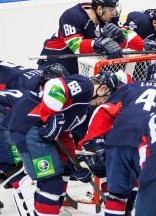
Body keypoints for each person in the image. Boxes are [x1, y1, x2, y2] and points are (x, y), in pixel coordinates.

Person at [2, 71, 119, 216]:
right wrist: (52, 115)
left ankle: (49, 211)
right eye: (106, 98)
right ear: (102, 88)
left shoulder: (82, 111)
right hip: (29, 125)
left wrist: (72, 161)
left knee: (64, 171)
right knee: (51, 184)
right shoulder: (86, 85)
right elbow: (55, 85)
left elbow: (65, 134)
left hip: (37, 130)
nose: (103, 102)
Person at [77, 64, 156, 216]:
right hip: (148, 144)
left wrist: (94, 141)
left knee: (116, 196)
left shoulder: (130, 87)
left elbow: (103, 111)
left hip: (118, 142)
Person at [37, 0, 144, 75]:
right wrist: (102, 43)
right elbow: (76, 46)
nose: (114, 13)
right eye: (111, 10)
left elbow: (138, 44)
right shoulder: (72, 15)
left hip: (77, 69)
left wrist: (121, 37)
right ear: (99, 9)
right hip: (54, 64)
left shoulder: (111, 18)